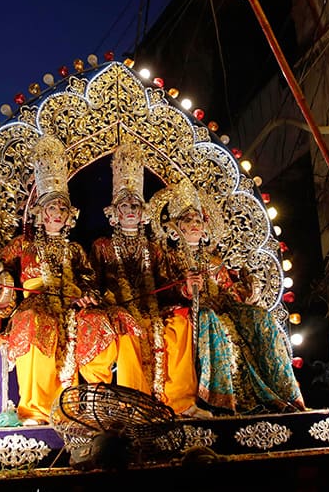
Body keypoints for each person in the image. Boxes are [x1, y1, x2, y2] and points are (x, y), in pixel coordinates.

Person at [0, 135, 116, 425]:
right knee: (35, 321)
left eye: (64, 208)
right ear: (41, 212)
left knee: (98, 320)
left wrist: (87, 295)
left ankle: (90, 404)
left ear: (70, 216)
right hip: (36, 304)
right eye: (53, 207)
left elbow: (88, 278)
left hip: (71, 304)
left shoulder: (75, 250)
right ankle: (36, 409)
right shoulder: (23, 245)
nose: (58, 213)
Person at [158, 179, 305, 414]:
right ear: (177, 227)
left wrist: (247, 291)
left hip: (221, 310)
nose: (195, 224)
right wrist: (186, 289)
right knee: (213, 321)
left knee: (260, 318)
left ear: (206, 228)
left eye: (199, 220)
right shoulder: (168, 257)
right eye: (188, 220)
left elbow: (228, 289)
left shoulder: (214, 262)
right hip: (188, 312)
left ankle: (279, 393)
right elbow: (163, 288)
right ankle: (219, 400)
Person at [88, 145, 205, 416]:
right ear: (113, 212)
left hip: (153, 309)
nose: (131, 210)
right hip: (117, 309)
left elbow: (167, 282)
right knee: (130, 331)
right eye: (125, 205)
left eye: (136, 205)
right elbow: (93, 281)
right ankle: (134, 406)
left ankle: (181, 402)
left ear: (144, 212)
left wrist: (186, 287)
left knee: (179, 323)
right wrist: (96, 297)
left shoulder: (155, 248)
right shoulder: (102, 246)